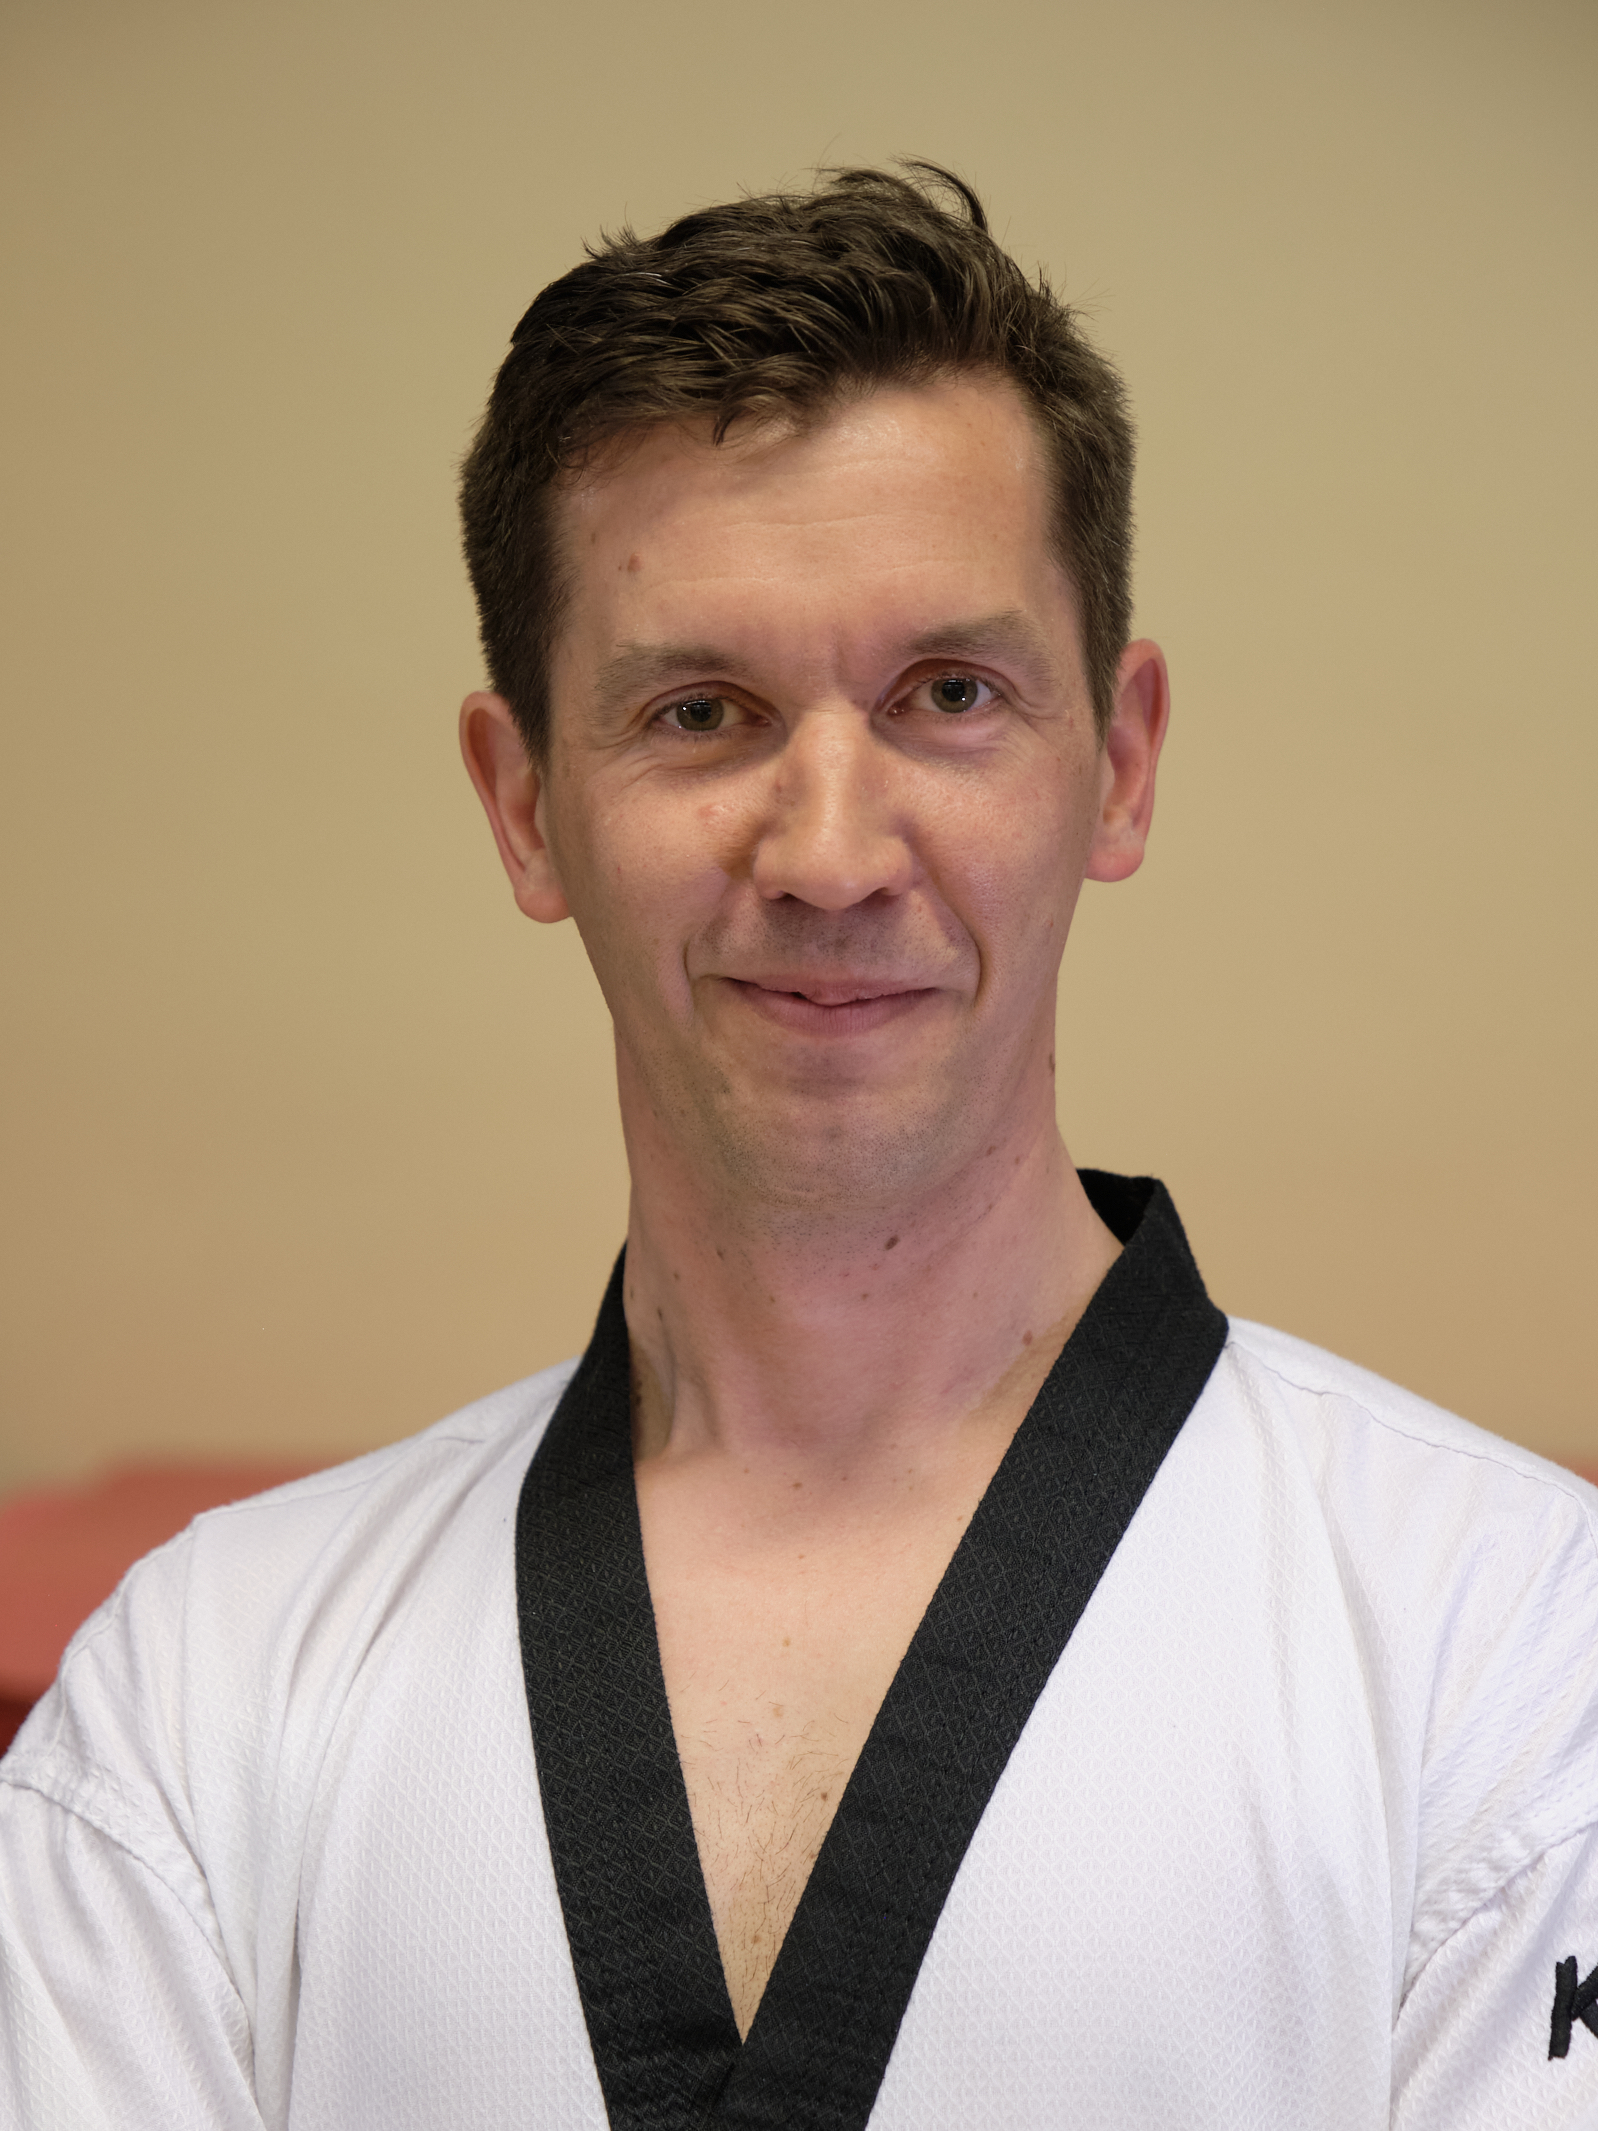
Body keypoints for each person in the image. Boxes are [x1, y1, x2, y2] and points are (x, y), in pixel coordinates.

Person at [2, 165, 1596, 2131]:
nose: (829, 855)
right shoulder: (199, 1701)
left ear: (1119, 759)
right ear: (523, 804)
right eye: (701, 711)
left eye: (950, 694)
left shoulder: (1506, 1654)